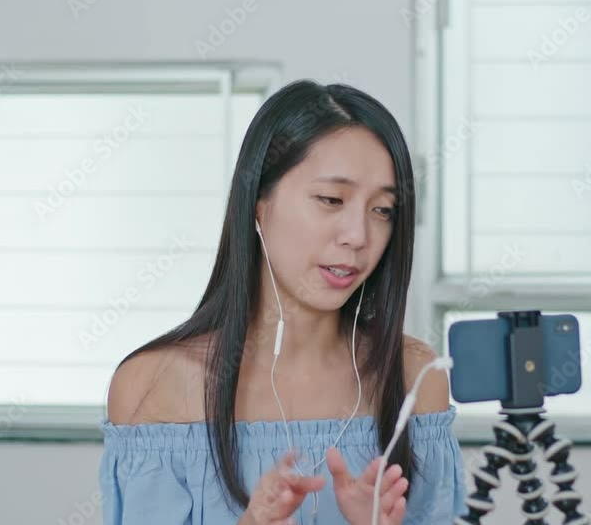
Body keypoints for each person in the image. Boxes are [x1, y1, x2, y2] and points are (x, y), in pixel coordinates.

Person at [98, 79, 468, 524]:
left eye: (383, 210)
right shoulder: (152, 387)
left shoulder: (413, 379)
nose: (358, 236)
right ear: (258, 202)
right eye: (331, 199)